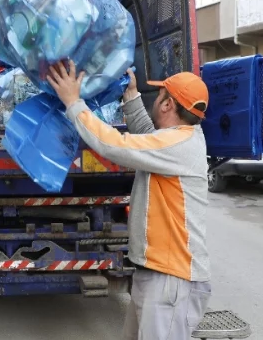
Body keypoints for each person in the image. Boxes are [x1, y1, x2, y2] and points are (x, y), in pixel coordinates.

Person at [46, 60, 211, 340]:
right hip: (157, 273)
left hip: (170, 280)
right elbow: (149, 138)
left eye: (159, 95)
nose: (155, 98)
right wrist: (131, 95)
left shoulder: (177, 146)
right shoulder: (180, 139)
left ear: (168, 105)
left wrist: (74, 103)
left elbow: (116, 145)